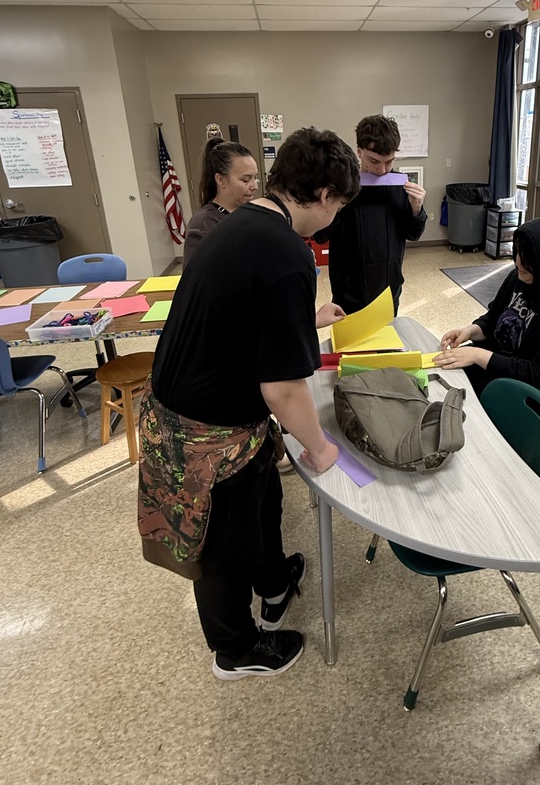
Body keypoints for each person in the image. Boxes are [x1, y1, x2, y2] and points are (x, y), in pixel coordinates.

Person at [138, 127, 360, 682]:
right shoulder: (288, 253)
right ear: (328, 195)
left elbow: (246, 316)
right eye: (341, 205)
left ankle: (274, 578)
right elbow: (283, 387)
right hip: (206, 424)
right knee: (225, 543)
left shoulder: (240, 222)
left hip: (197, 398)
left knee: (264, 501)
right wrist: (320, 446)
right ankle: (234, 650)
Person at [433, 216, 540, 426]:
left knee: (459, 415)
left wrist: (477, 355)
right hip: (506, 367)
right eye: (517, 253)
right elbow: (495, 317)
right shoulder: (523, 276)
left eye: (527, 258)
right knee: (440, 381)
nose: (517, 262)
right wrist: (471, 331)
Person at [315, 114, 427, 315]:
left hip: (389, 289)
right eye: (374, 161)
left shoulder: (398, 185)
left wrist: (416, 208)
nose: (382, 170)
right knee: (351, 344)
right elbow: (320, 235)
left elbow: (413, 234)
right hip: (349, 292)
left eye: (389, 161)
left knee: (387, 342)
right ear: (359, 151)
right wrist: (336, 203)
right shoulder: (342, 186)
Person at [182, 139, 260, 269]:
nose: (254, 186)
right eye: (246, 179)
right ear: (221, 180)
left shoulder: (253, 213)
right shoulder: (204, 223)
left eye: (255, 178)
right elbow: (193, 280)